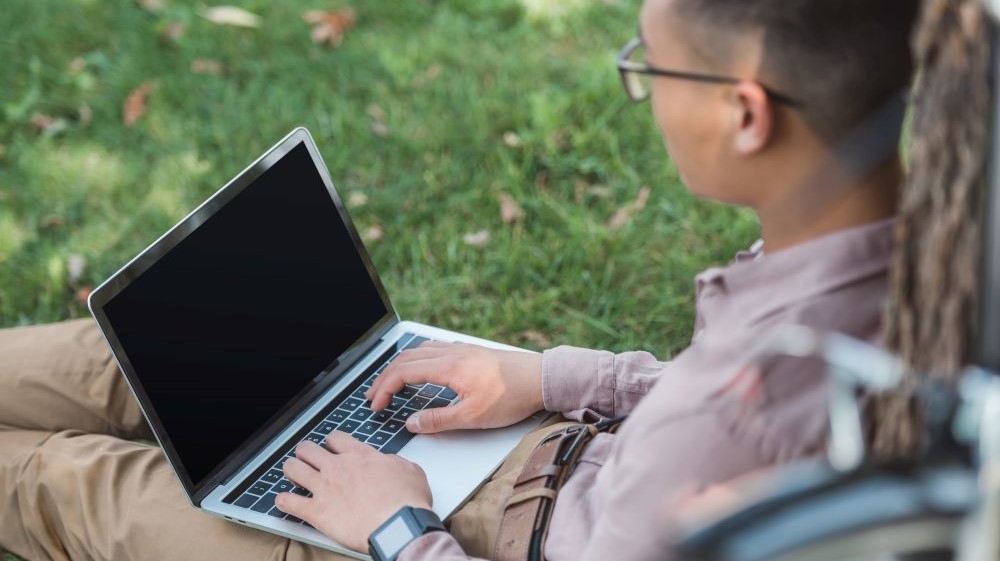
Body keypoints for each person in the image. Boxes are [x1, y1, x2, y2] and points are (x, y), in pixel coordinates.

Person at [0, 0, 918, 560]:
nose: (647, 94)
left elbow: (725, 420)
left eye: (653, 68)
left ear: (744, 111)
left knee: (73, 480)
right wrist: (545, 377)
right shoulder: (908, 266)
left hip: (457, 533)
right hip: (550, 445)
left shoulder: (729, 407)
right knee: (147, 355)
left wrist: (397, 527)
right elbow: (729, 412)